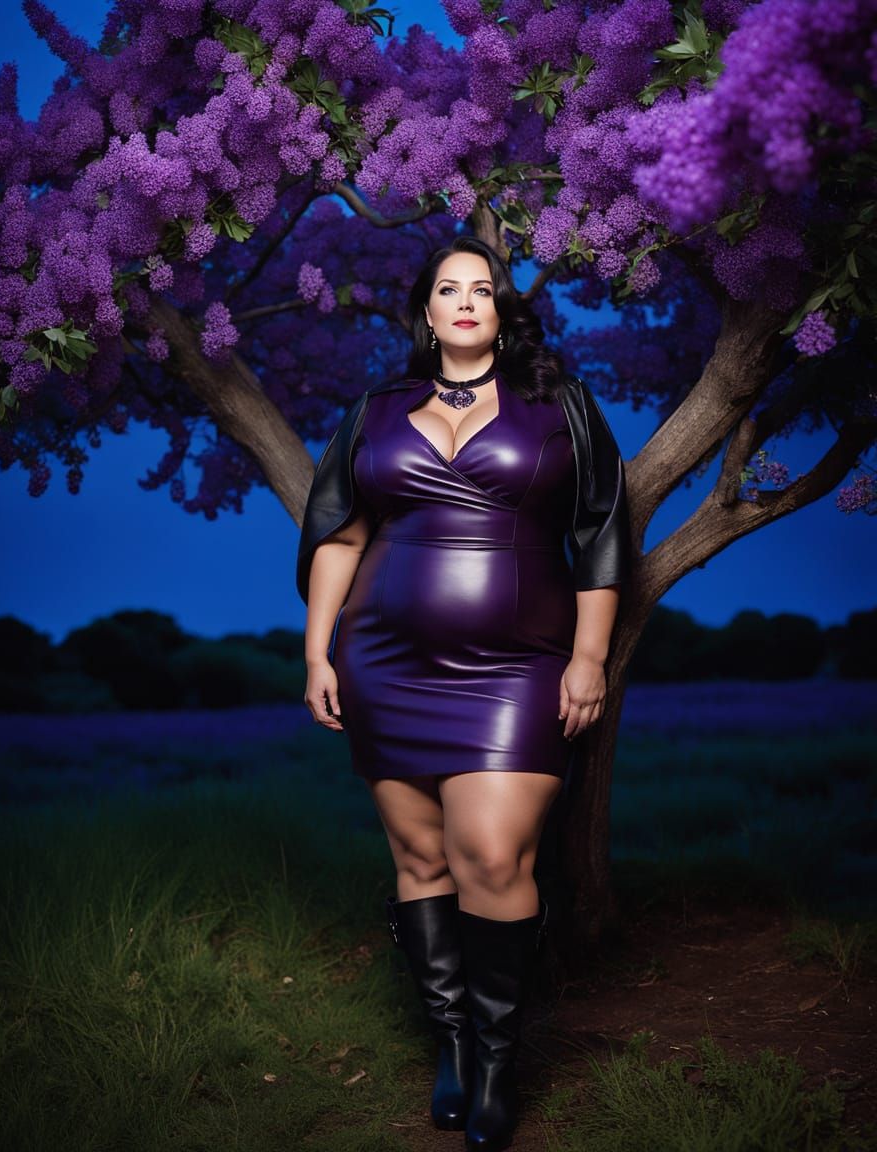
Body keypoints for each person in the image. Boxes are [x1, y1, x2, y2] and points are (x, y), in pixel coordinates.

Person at [297, 235, 629, 1152]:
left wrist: (590, 656)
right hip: (384, 663)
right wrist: (318, 653)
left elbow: (601, 529)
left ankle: (496, 1059)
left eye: (483, 288)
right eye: (450, 289)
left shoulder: (556, 403)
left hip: (518, 666)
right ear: (429, 311)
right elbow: (338, 532)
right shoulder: (376, 408)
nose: (467, 302)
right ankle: (450, 1046)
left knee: (490, 853)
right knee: (420, 859)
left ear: (501, 308)